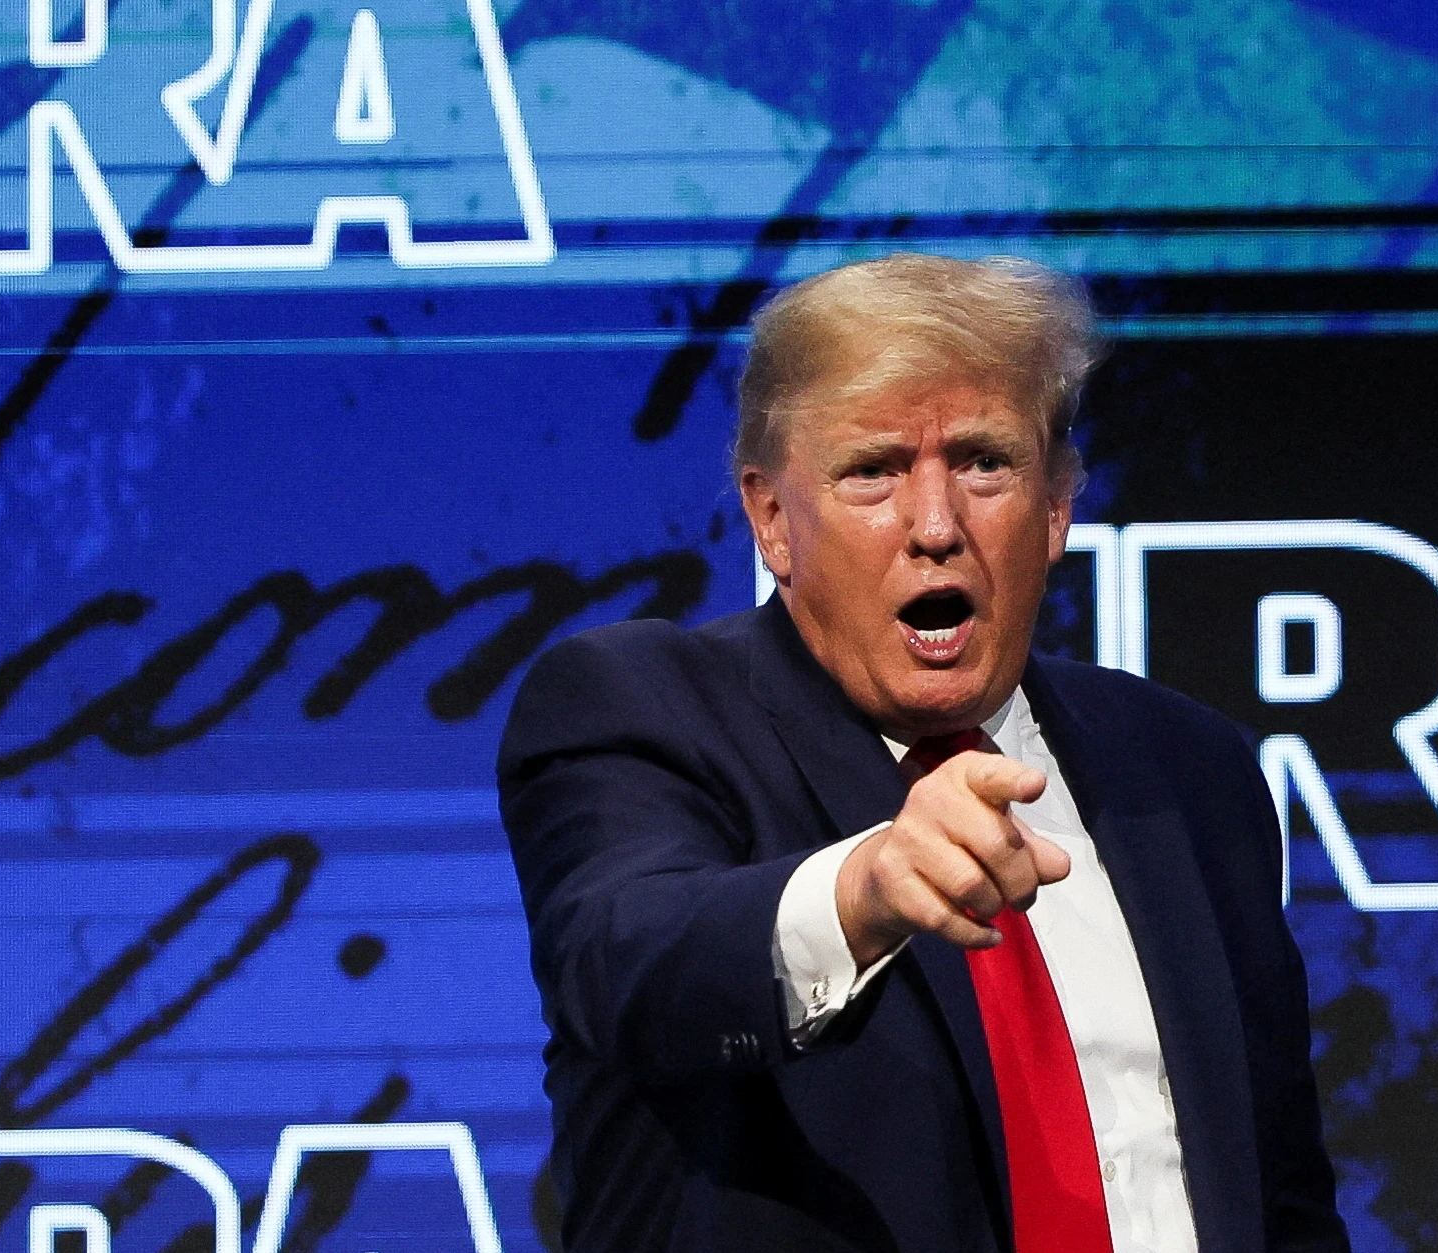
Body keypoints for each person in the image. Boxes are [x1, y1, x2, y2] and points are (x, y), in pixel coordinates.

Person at [497, 254, 1349, 1253]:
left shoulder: (1184, 768)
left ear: (1055, 502)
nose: (936, 526)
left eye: (984, 461)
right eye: (873, 470)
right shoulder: (640, 706)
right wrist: (863, 889)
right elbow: (628, 958)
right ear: (771, 516)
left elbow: (1279, 1193)